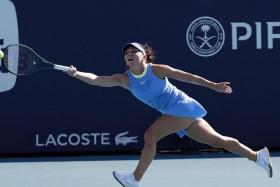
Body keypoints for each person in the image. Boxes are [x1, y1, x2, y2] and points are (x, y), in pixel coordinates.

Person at [66, 42, 273, 187]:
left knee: (150, 136)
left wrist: (213, 85)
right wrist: (76, 74)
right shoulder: (124, 79)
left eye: (134, 51)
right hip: (175, 113)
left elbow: (188, 77)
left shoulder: (157, 70)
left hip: (182, 106)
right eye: (126, 52)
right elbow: (96, 79)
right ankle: (258, 157)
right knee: (218, 141)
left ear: (144, 56)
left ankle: (135, 179)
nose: (129, 53)